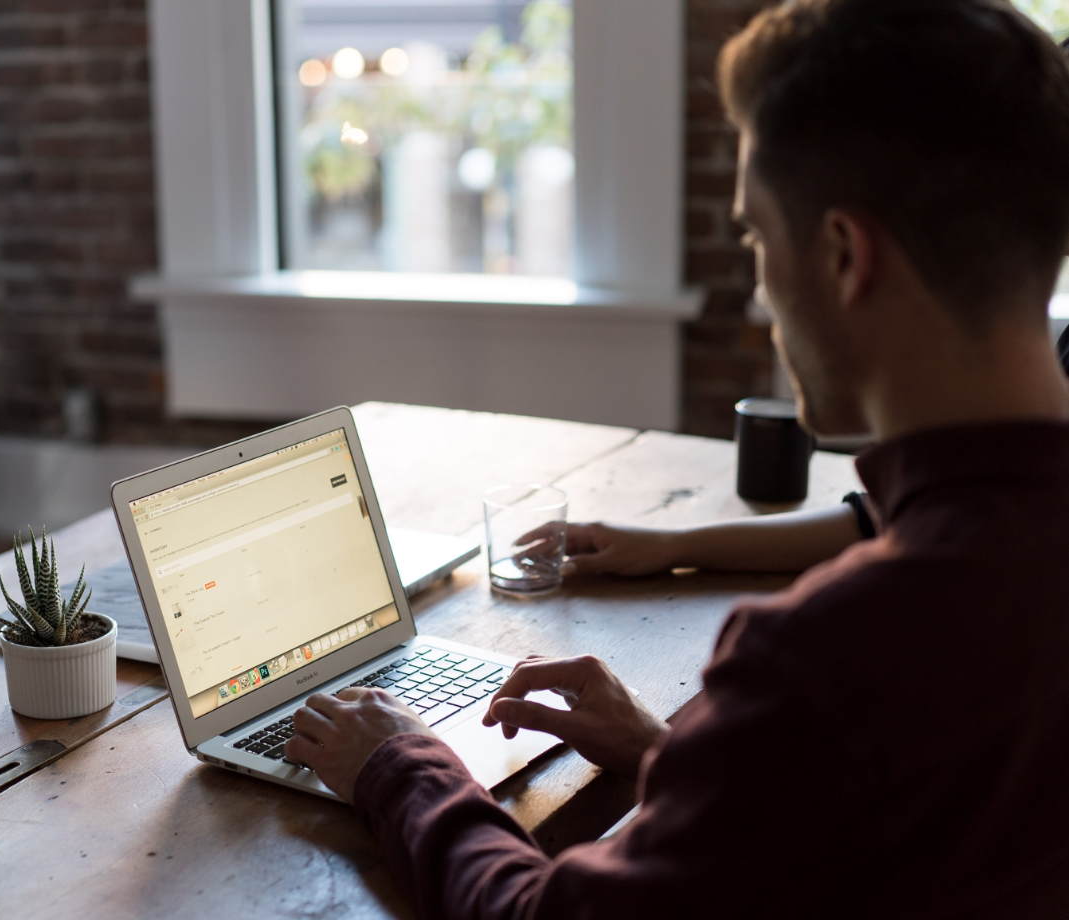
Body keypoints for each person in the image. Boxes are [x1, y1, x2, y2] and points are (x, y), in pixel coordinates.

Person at [283, 1, 1069, 916]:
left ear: (845, 256)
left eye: (755, 238)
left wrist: (400, 767)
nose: (758, 297)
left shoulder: (830, 659)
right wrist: (689, 763)